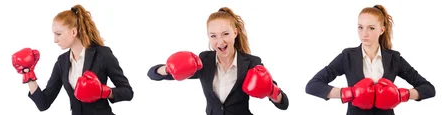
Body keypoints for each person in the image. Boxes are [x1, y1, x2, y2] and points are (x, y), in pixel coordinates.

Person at [147, 7, 289, 115]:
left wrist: (272, 92)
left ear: (235, 32)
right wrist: (167, 68)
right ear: (208, 37)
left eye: (225, 34)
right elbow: (152, 74)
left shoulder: (251, 62)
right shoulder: (204, 61)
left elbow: (283, 104)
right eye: (213, 36)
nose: (220, 41)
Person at [305, 4, 436, 115]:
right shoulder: (347, 56)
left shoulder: (394, 58)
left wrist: (401, 95)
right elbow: (312, 86)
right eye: (360, 27)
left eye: (371, 28)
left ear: (382, 30)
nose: (364, 33)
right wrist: (348, 93)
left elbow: (429, 89)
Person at [11, 4, 133, 115]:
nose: (55, 40)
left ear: (73, 32)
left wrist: (104, 91)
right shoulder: (62, 62)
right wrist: (29, 74)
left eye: (58, 34)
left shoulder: (102, 54)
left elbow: (128, 92)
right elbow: (44, 103)